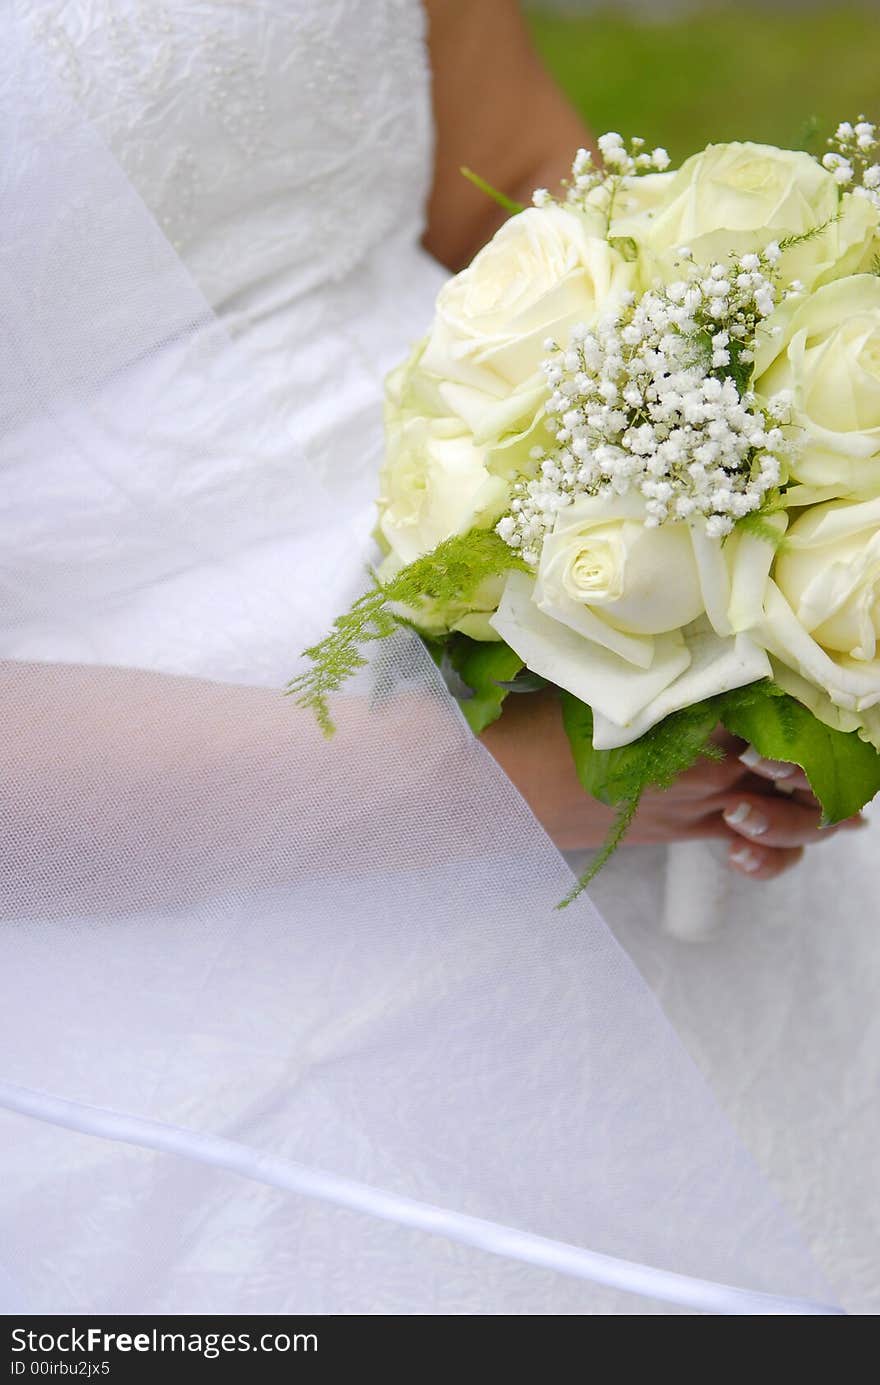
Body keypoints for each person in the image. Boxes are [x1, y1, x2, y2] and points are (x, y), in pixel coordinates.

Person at [0, 0, 876, 1314]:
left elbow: (513, 162)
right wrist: (492, 781)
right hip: (162, 816)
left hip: (544, 501)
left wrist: (750, 459)